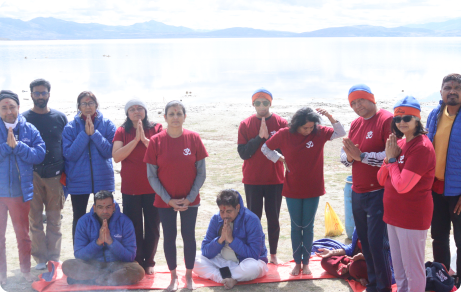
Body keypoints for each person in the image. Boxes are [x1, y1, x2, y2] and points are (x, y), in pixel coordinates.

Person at [262, 107, 345, 275]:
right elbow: (265, 148)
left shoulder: (318, 132)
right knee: (295, 226)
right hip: (292, 188)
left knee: (308, 226)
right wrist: (279, 158)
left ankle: (306, 263)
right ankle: (296, 263)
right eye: (305, 128)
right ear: (296, 125)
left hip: (313, 188)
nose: (308, 131)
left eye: (311, 127)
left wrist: (329, 116)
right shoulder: (284, 134)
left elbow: (340, 132)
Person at [144, 100, 208, 291]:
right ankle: (173, 277)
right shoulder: (156, 141)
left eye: (179, 114)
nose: (175, 117)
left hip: (191, 200)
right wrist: (168, 199)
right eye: (171, 114)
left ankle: (188, 276)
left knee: (189, 236)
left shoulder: (194, 138)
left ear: (184, 117)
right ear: (165, 118)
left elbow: (201, 173)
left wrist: (190, 197)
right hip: (165, 202)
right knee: (169, 237)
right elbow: (151, 176)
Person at [377, 96, 435, 291]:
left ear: (417, 119)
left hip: (412, 216)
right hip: (393, 214)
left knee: (413, 270)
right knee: (399, 268)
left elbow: (402, 186)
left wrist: (391, 161)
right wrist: (388, 160)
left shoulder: (422, 147)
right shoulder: (399, 144)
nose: (401, 122)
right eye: (397, 119)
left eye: (407, 118)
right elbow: (380, 179)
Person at [340, 84, 393, 292]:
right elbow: (344, 156)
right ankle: (373, 284)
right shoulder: (355, 124)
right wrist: (352, 158)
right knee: (365, 242)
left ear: (372, 98)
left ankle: (384, 287)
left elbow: (391, 156)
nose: (357, 105)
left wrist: (361, 157)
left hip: (378, 192)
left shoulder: (386, 119)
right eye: (353, 103)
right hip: (357, 191)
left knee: (377, 244)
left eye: (360, 100)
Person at [237, 88, 287, 265]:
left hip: (275, 179)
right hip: (252, 180)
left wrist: (270, 142)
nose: (261, 106)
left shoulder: (281, 123)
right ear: (253, 104)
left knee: (273, 217)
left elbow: (287, 150)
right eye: (257, 102)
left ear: (270, 103)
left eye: (265, 102)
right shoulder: (245, 124)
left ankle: (273, 254)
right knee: (254, 218)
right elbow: (243, 153)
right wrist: (259, 138)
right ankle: (255, 252)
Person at [112, 99, 162, 275]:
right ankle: (136, 260)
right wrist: (135, 140)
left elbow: (162, 152)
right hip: (130, 187)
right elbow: (116, 157)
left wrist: (145, 139)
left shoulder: (156, 128)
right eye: (132, 109)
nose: (136, 111)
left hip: (153, 186)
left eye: (140, 108)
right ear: (127, 114)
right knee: (133, 226)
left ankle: (149, 261)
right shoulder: (121, 131)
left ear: (145, 111)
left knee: (152, 225)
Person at [0, 90, 46, 283]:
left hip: (19, 193)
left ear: (19, 107)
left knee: (23, 235)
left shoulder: (29, 129)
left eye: (12, 106)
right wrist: (6, 147)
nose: (9, 111)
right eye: (4, 107)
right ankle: (1, 274)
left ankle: (25, 270)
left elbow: (39, 154)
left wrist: (18, 147)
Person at [22, 79, 68, 270]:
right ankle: (40, 260)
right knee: (35, 219)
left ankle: (54, 257)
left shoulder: (59, 117)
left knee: (55, 219)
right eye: (37, 93)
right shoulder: (23, 119)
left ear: (49, 94)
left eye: (43, 93)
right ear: (31, 94)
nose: (40, 96)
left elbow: (66, 145)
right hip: (31, 175)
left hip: (55, 176)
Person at [62, 91, 116, 242]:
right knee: (79, 217)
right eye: (84, 104)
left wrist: (95, 134)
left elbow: (110, 152)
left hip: (103, 178)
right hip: (78, 180)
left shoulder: (107, 124)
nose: (87, 107)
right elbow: (70, 154)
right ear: (78, 106)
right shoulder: (70, 127)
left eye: (91, 103)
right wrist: (85, 134)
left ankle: (106, 251)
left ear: (96, 105)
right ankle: (79, 253)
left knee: (105, 216)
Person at [62, 190, 145, 286]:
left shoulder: (125, 222)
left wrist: (111, 242)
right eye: (100, 207)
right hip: (92, 265)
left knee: (138, 271)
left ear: (113, 207)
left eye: (108, 207)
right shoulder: (83, 222)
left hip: (118, 265)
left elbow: (130, 256)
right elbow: (79, 255)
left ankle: (91, 280)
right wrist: (98, 242)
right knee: (67, 265)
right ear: (94, 208)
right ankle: (107, 278)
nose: (104, 211)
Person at [193, 189, 268, 290]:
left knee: (253, 268)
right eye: (222, 211)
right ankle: (225, 278)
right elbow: (205, 251)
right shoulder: (216, 219)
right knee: (191, 258)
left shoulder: (251, 219)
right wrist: (220, 240)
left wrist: (232, 240)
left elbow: (254, 254)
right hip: (222, 260)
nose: (224, 216)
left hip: (243, 263)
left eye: (229, 211)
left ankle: (227, 276)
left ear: (237, 207)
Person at [426, 73, 461, 286]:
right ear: (441, 92)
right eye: (448, 87)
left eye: (457, 87)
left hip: (458, 192)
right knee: (438, 236)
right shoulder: (435, 114)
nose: (453, 91)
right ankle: (442, 277)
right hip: (435, 188)